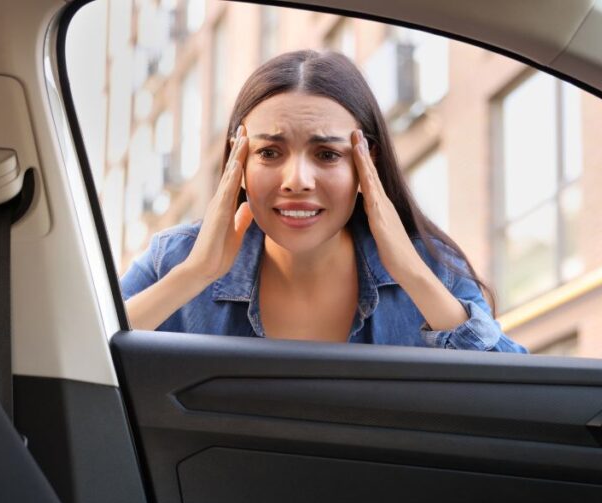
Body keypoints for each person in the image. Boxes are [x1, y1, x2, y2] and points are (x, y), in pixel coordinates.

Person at [121, 49, 526, 353]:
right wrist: (194, 275)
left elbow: (521, 404)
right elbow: (71, 365)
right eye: (269, 153)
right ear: (238, 162)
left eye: (328, 155)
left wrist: (413, 274)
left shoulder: (433, 269)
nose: (297, 181)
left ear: (367, 165)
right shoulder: (172, 260)